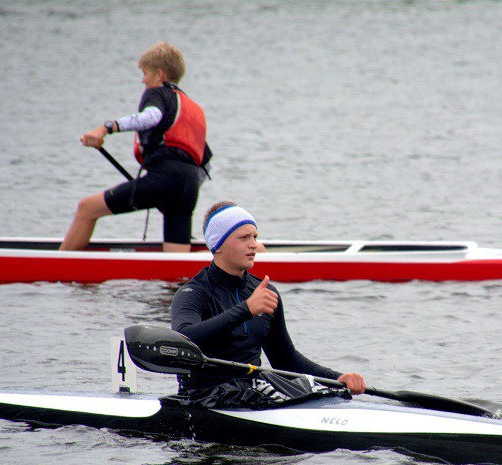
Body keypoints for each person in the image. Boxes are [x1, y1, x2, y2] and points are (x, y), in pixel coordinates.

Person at [170, 201, 366, 395]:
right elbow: (183, 339)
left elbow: (284, 358)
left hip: (252, 391)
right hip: (203, 396)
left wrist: (336, 378)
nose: (254, 245)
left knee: (327, 393)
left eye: (255, 236)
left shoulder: (264, 293)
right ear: (217, 244)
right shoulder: (192, 294)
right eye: (243, 237)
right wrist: (246, 309)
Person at [60, 41, 211, 252]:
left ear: (159, 74)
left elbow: (151, 117)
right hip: (189, 186)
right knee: (175, 262)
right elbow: (206, 162)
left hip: (165, 178)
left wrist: (106, 128)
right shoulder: (190, 107)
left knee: (87, 208)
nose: (143, 79)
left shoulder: (157, 93)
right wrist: (177, 191)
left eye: (145, 73)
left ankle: (61, 271)